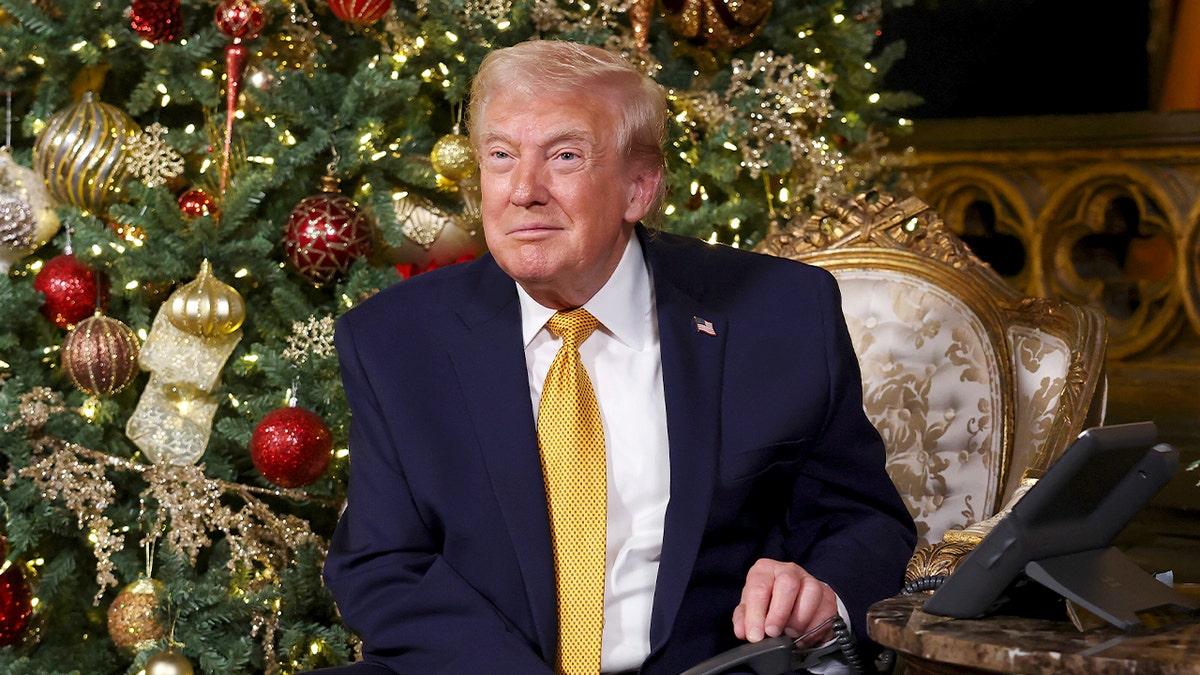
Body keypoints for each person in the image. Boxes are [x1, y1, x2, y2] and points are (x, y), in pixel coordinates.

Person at [315, 39, 916, 675]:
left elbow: (863, 521)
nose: (524, 191)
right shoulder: (396, 338)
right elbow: (382, 564)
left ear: (638, 187)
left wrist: (817, 590)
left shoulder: (778, 314)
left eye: (565, 156)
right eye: (500, 156)